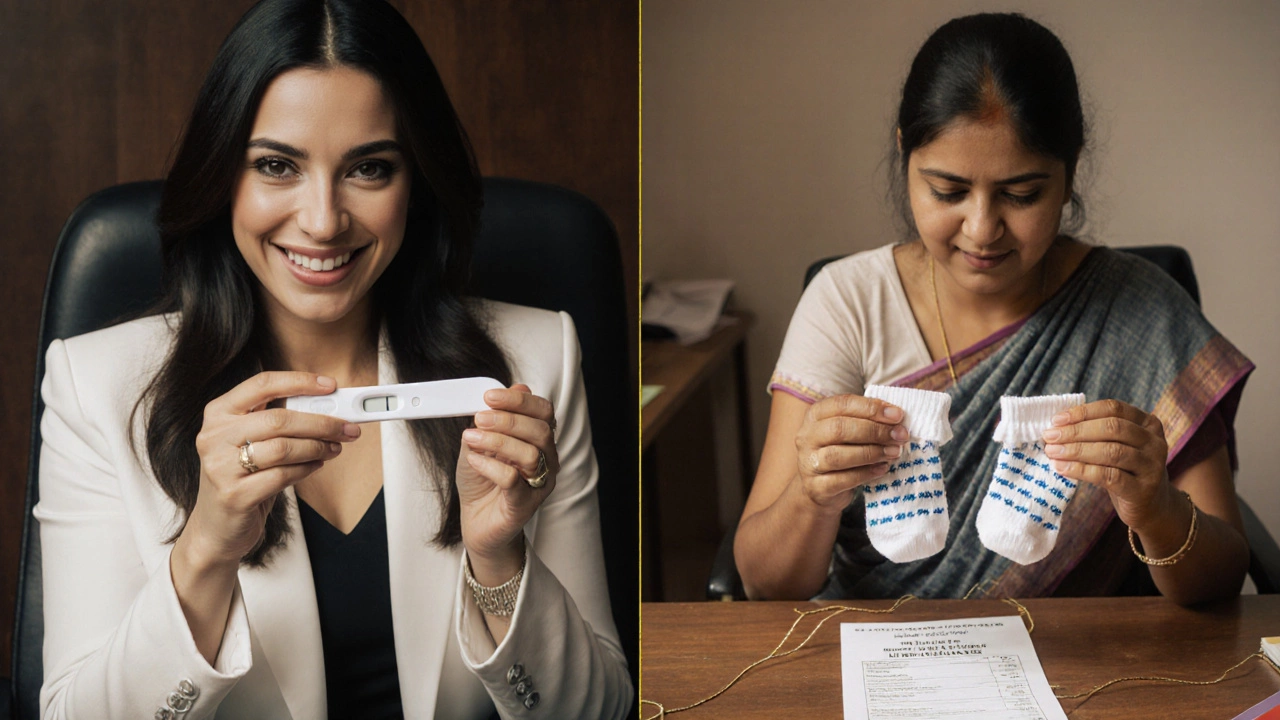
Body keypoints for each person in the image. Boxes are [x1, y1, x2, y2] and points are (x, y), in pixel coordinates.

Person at [35, 0, 632, 717]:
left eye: (370, 169)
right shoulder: (96, 386)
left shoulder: (536, 361)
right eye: (277, 165)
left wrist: (499, 559)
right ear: (224, 175)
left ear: (416, 183)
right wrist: (203, 553)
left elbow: (598, 708)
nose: (322, 220)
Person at [734, 13, 1252, 606]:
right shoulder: (846, 302)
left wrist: (1155, 508)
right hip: (876, 660)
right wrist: (811, 494)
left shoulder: (1143, 309)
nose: (982, 230)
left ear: (1070, 171)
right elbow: (765, 584)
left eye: (1021, 194)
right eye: (948, 191)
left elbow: (1222, 582)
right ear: (905, 154)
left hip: (1073, 666)